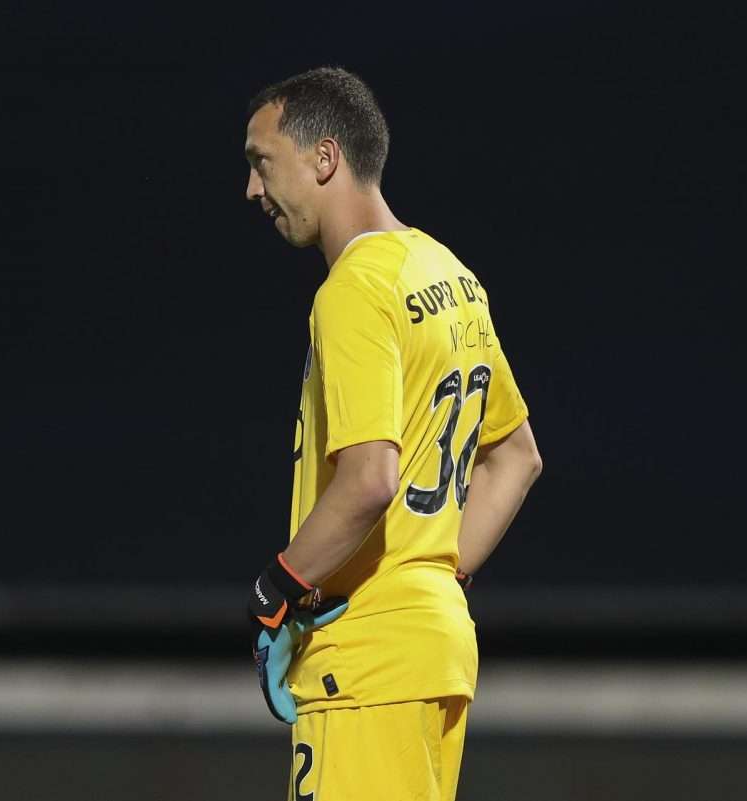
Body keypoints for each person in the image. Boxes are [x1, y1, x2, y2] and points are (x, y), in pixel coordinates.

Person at [243, 66, 542, 801]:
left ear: (323, 159)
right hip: (434, 650)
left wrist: (275, 589)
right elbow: (517, 456)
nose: (252, 191)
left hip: (367, 665)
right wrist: (433, 573)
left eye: (260, 163)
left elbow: (369, 480)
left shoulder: (354, 287)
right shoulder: (451, 274)